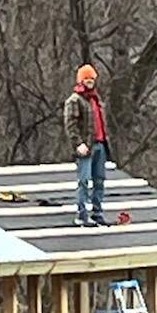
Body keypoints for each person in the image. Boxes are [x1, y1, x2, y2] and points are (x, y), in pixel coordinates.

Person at [63, 63, 111, 227]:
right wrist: (79, 144)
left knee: (99, 180)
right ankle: (82, 214)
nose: (90, 81)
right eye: (87, 78)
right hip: (86, 147)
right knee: (84, 181)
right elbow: (71, 125)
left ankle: (97, 213)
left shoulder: (97, 100)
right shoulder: (75, 100)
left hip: (100, 144)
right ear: (81, 80)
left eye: (92, 78)